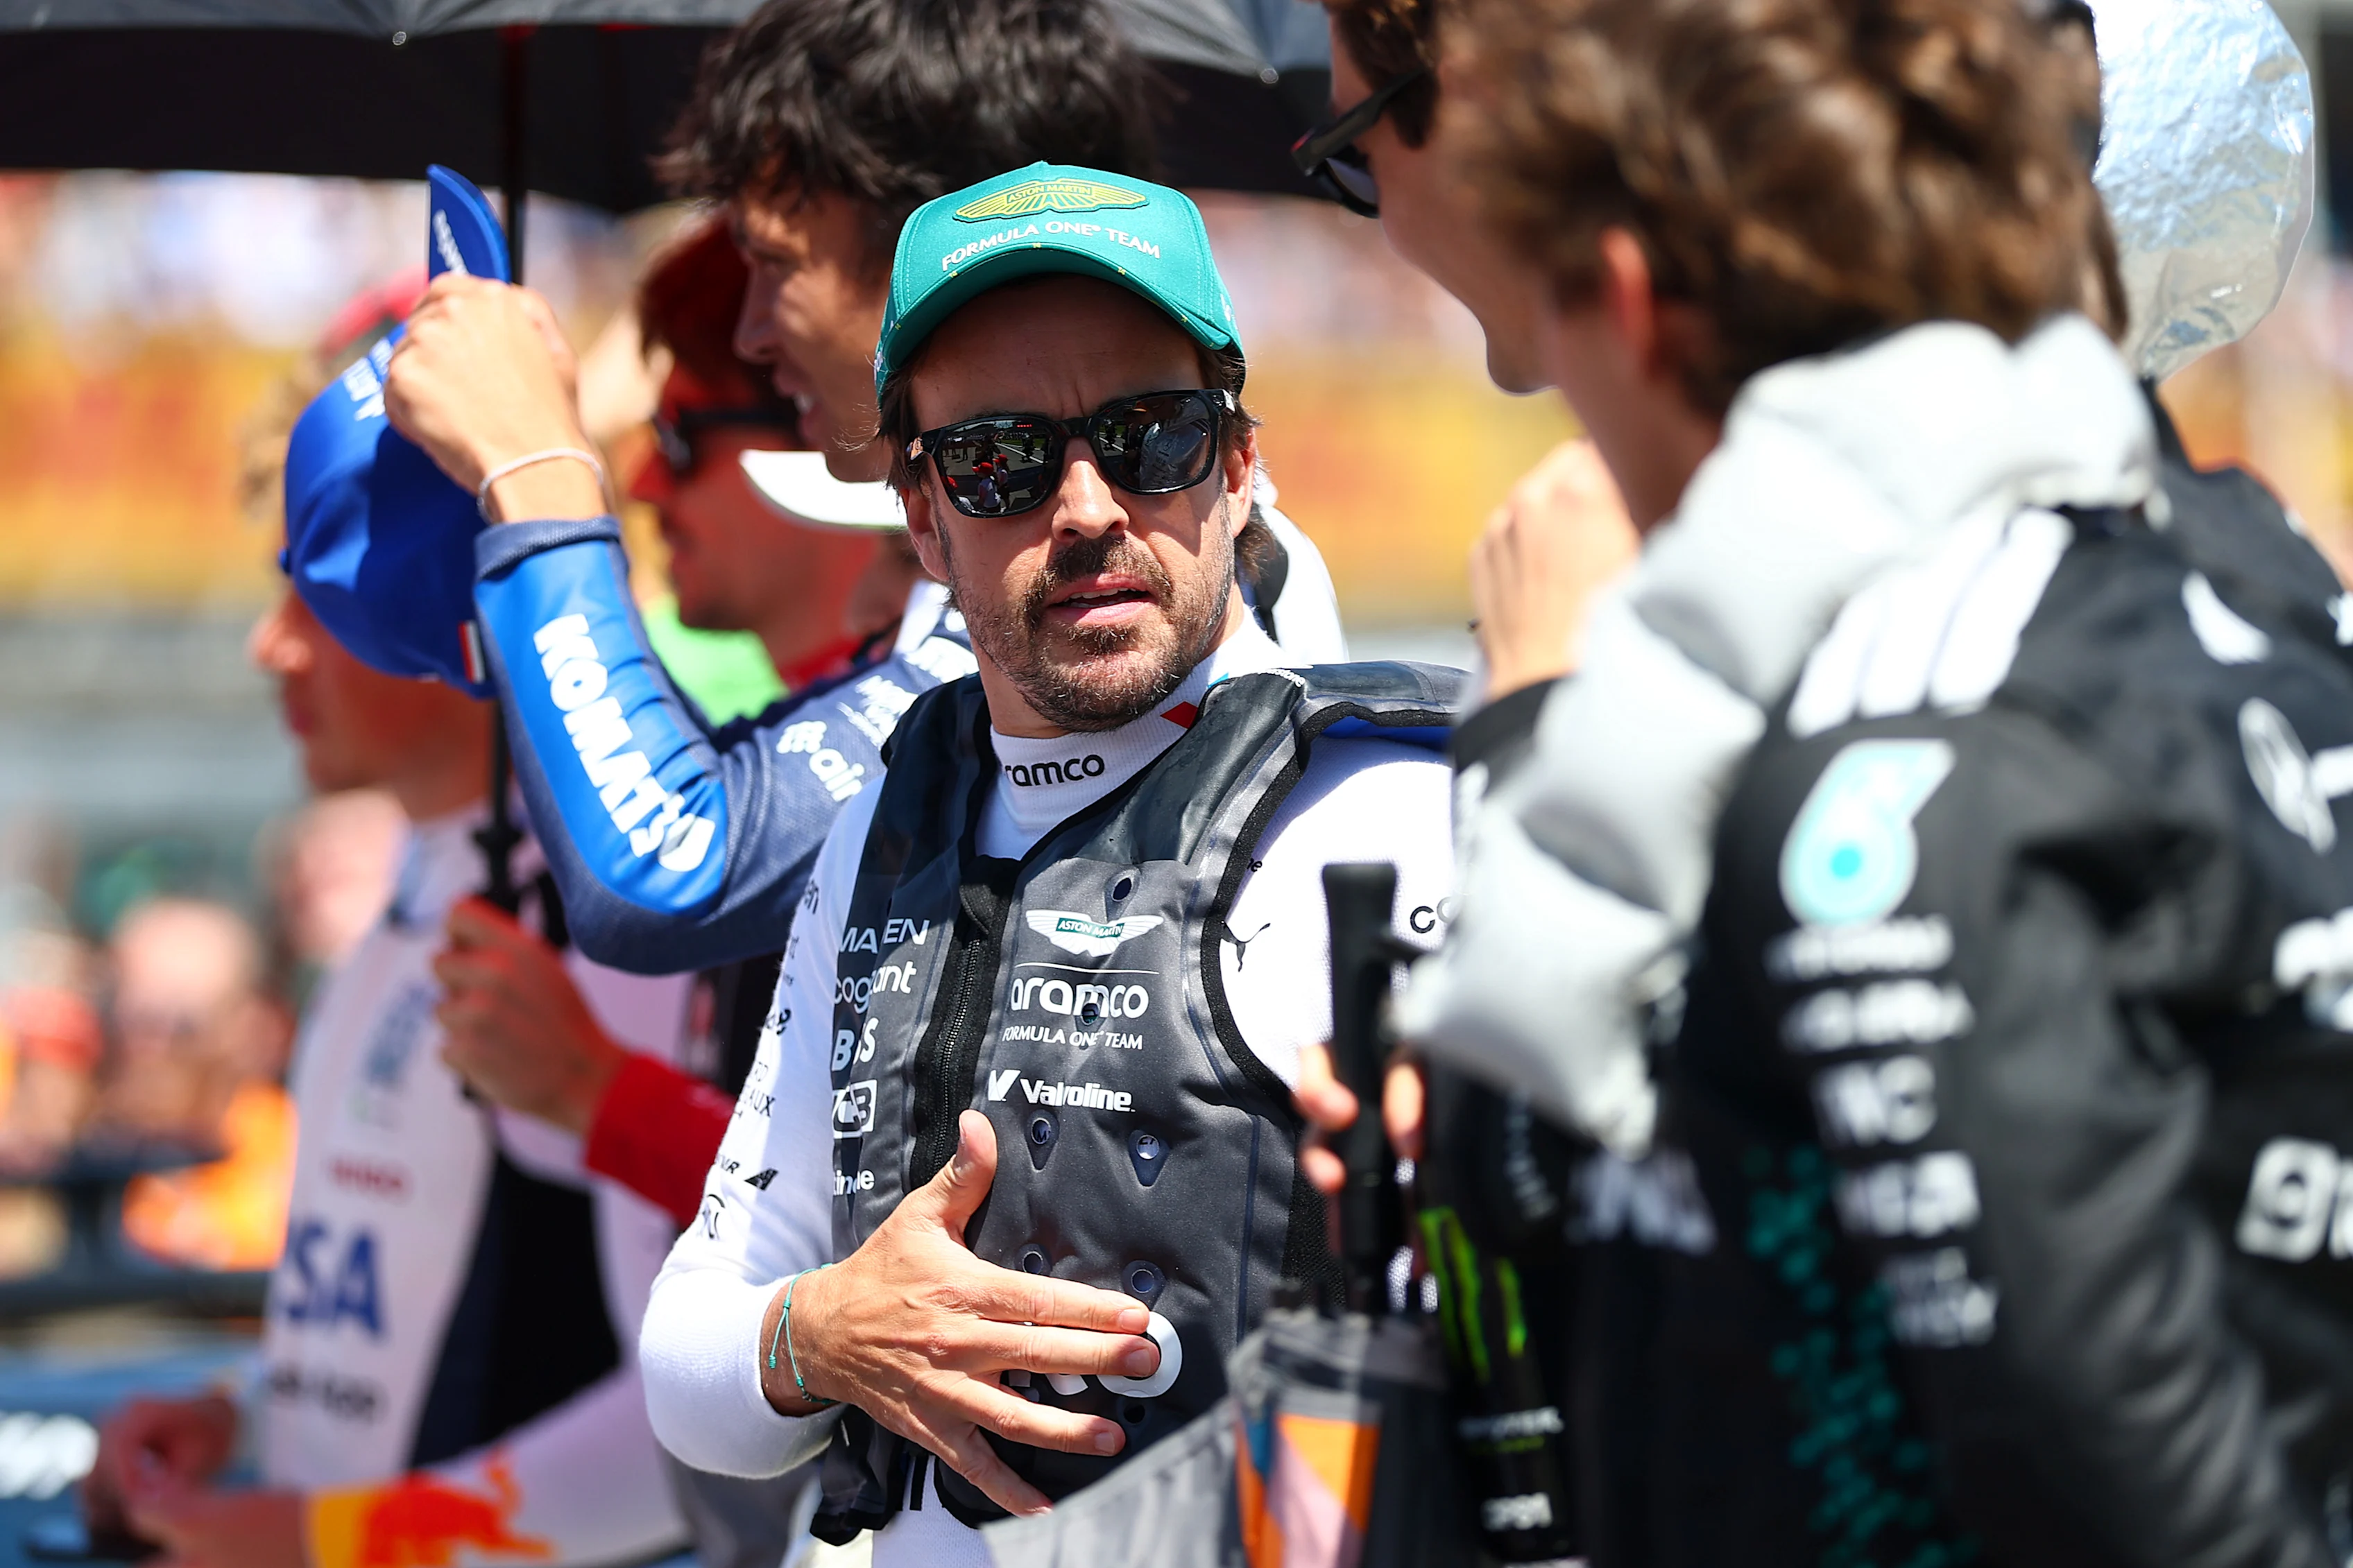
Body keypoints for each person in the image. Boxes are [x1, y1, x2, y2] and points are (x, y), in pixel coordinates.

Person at [1314, 0, 2353, 1560]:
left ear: (1624, 295)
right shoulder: (2218, 575)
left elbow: (2134, 1483)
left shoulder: (1901, 753)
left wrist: (1531, 724)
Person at [627, 163, 1458, 1564]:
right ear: (922, 514)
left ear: (1238, 465)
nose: (1083, 507)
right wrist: (819, 1334)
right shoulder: (882, 829)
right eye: (1001, 458)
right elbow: (691, 1355)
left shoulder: (1393, 807)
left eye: (1147, 435)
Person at [381, 0, 1350, 983]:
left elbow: (672, 861)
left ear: (929, 254)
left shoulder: (1134, 573)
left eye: (775, 265)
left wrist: (536, 472)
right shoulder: (1051, 542)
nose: (754, 332)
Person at [82, 581, 697, 1568]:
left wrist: (323, 1543)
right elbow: (387, 1318)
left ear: (459, 612)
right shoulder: (414, 891)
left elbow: (691, 1422)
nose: (267, 645)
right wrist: (235, 1416)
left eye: (313, 596)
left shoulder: (595, 925)